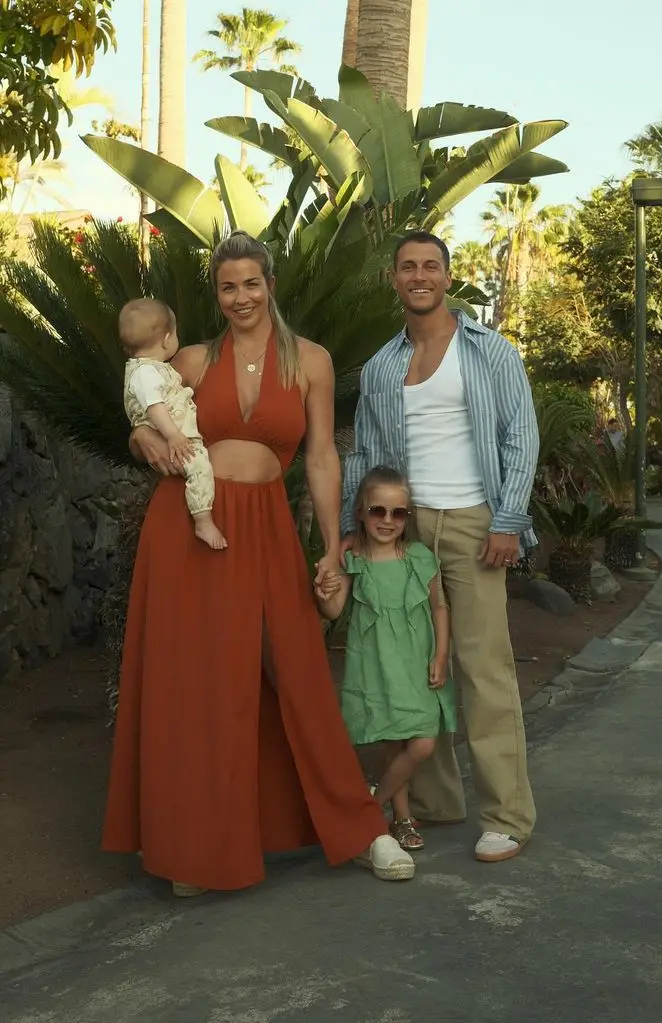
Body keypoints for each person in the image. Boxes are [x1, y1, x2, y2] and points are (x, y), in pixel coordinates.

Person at [104, 229, 415, 895]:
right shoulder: (187, 359)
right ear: (215, 295)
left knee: (296, 665)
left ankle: (364, 829)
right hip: (188, 530)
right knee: (196, 682)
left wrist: (333, 546)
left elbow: (322, 456)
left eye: (250, 283)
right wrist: (138, 436)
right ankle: (194, 849)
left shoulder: (310, 360)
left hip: (267, 525)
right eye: (227, 286)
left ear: (269, 284)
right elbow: (140, 406)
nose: (240, 296)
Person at [341, 230, 539, 864]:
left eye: (431, 265)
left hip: (477, 523)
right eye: (407, 267)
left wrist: (508, 519)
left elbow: (521, 438)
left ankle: (506, 815)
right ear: (393, 280)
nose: (419, 275)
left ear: (448, 277)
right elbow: (367, 455)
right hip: (405, 526)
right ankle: (435, 801)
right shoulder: (379, 367)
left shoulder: (489, 352)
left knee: (483, 668)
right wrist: (354, 524)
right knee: (411, 667)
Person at [315, 466, 456, 852]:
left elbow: (439, 608)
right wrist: (325, 590)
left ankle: (368, 806)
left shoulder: (419, 557)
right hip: (377, 664)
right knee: (395, 742)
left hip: (417, 663)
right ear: (360, 512)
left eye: (398, 513)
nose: (388, 521)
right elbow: (333, 610)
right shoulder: (353, 560)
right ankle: (402, 818)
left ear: (408, 516)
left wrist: (441, 654)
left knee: (423, 742)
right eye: (378, 511)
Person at [119, 298, 227, 550]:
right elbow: (153, 406)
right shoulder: (145, 372)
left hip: (173, 434)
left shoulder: (155, 369)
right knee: (199, 467)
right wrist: (173, 435)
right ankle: (202, 519)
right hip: (175, 438)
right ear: (167, 339)